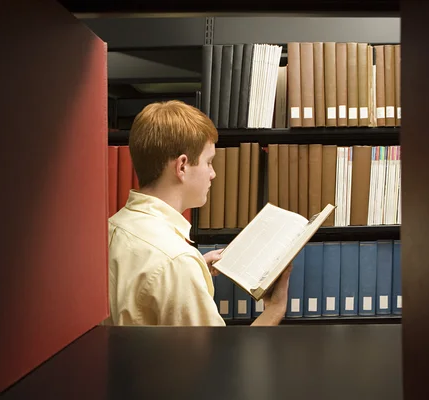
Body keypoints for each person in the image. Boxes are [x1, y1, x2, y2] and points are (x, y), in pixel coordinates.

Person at [106, 99, 291, 326]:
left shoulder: (112, 227)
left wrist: (195, 269)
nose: (212, 174)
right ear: (182, 166)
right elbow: (216, 361)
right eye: (209, 162)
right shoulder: (177, 262)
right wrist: (276, 309)